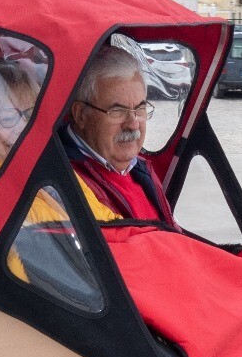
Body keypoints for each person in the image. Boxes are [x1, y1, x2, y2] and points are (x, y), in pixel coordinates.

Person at [63, 36, 176, 226]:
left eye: (140, 108)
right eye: (117, 111)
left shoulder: (139, 168)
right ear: (81, 114)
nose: (132, 124)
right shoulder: (65, 186)